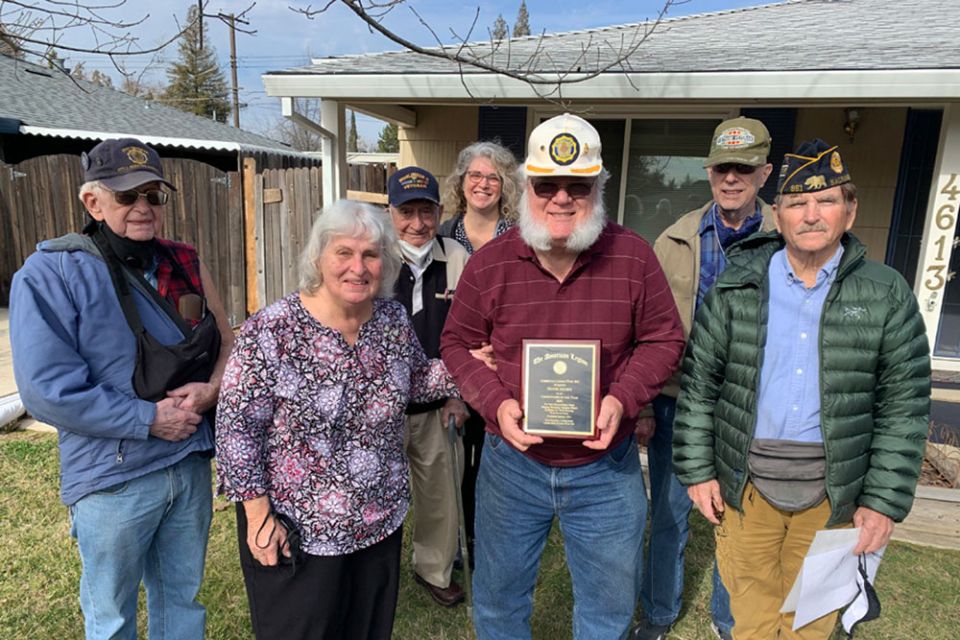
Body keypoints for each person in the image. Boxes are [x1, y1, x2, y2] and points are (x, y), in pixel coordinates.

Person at [673, 139, 931, 639]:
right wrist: (699, 471)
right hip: (746, 490)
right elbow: (700, 386)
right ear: (780, 215)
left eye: (827, 200)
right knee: (750, 620)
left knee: (810, 625)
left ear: (850, 212)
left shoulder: (885, 293)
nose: (811, 215)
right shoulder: (737, 286)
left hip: (834, 495)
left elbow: (905, 406)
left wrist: (882, 500)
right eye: (796, 203)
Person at [441, 113, 685, 639]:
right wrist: (494, 403)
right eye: (547, 184)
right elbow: (455, 343)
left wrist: (622, 397)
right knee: (499, 606)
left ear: (598, 187)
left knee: (605, 613)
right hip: (512, 467)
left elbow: (665, 339)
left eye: (578, 185)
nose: (561, 198)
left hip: (606, 471)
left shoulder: (633, 257)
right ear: (527, 187)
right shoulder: (490, 265)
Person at [10, 138, 233, 639]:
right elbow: (48, 390)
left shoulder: (184, 261)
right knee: (111, 618)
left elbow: (227, 343)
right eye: (128, 196)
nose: (143, 208)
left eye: (153, 196)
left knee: (183, 603)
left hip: (188, 463)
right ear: (93, 202)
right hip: (114, 479)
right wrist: (149, 419)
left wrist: (210, 391)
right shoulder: (51, 273)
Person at [215, 200, 460, 640]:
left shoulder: (391, 320)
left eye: (370, 255)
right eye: (343, 253)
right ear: (318, 257)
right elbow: (237, 431)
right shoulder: (273, 331)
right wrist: (258, 518)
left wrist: (474, 366)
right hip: (299, 531)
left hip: (378, 523)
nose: (358, 267)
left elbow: (417, 380)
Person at [632, 116, 776, 640]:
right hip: (680, 400)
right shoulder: (674, 238)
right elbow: (644, 329)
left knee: (738, 518)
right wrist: (645, 403)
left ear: (765, 173)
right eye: (722, 169)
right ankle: (660, 611)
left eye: (744, 168)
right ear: (710, 173)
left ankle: (729, 616)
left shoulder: (787, 238)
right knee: (669, 513)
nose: (731, 179)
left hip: (752, 404)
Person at [387, 166, 471, 606]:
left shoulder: (458, 257)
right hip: (379, 408)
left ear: (440, 212)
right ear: (389, 212)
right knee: (375, 494)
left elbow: (476, 334)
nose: (417, 224)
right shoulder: (373, 257)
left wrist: (459, 394)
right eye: (406, 212)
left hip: (440, 406)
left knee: (441, 494)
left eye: (426, 211)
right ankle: (376, 573)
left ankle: (433, 568)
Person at [438, 140, 522, 562]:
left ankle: (487, 541)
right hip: (452, 368)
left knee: (490, 464)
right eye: (475, 175)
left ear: (505, 185)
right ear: (462, 181)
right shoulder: (440, 236)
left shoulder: (520, 239)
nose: (483, 184)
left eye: (493, 177)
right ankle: (454, 542)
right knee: (453, 465)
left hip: (501, 369)